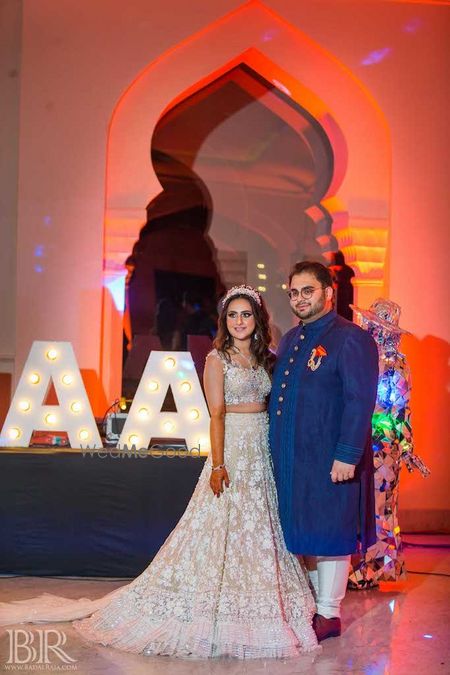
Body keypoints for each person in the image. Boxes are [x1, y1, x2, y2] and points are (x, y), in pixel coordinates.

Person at [0, 285, 318, 659]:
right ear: (224, 321)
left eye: (246, 314)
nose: (239, 321)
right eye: (232, 315)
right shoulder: (218, 360)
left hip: (262, 451)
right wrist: (218, 464)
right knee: (220, 527)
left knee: (260, 526)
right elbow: (216, 415)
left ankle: (258, 603)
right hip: (232, 449)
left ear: (257, 319)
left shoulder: (268, 358)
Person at [269, 261, 379, 642]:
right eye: (294, 293)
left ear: (328, 293)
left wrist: (347, 454)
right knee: (308, 532)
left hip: (331, 457)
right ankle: (316, 605)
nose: (299, 299)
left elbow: (359, 400)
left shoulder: (351, 338)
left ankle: (329, 614)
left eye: (307, 291)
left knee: (331, 531)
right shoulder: (290, 340)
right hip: (296, 458)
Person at [348, 298, 430, 588]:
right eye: (369, 323)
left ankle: (375, 568)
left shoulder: (396, 364)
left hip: (383, 446)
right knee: (362, 505)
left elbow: (400, 412)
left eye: (375, 325)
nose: (369, 328)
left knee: (381, 506)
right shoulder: (361, 359)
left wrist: (407, 449)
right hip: (360, 440)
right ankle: (363, 567)